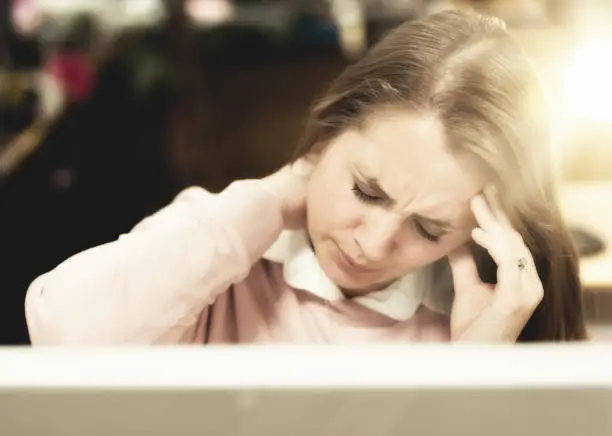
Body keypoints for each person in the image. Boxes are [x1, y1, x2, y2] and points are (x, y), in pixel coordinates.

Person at [25, 10, 587, 345]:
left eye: (429, 228)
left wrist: (477, 374)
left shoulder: (472, 322)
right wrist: (272, 197)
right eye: (365, 190)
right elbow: (63, 335)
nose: (371, 243)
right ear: (325, 139)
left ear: (477, 233)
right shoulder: (210, 247)